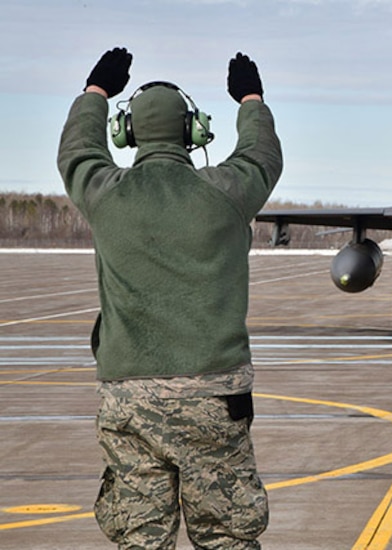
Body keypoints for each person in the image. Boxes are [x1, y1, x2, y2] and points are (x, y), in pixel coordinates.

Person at [57, 47, 283, 549]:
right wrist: (251, 99)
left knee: (140, 538)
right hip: (214, 395)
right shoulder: (227, 191)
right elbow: (263, 155)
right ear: (193, 131)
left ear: (128, 134)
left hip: (128, 396)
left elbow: (76, 152)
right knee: (226, 537)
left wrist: (95, 92)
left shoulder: (105, 192)